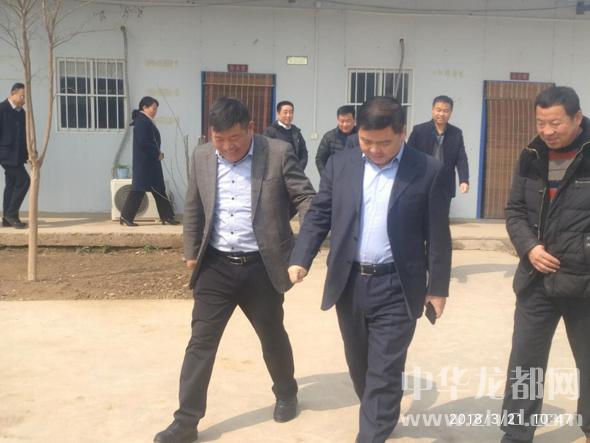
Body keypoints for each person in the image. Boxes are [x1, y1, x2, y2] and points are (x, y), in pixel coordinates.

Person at [288, 96, 452, 443]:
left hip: (397, 284)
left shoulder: (428, 170)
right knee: (360, 366)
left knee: (384, 369)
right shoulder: (341, 164)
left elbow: (438, 233)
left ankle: (372, 429)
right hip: (349, 282)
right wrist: (301, 256)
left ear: (402, 133)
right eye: (366, 141)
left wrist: (437, 287)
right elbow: (320, 213)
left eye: (384, 143)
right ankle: (382, 413)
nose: (375, 150)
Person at [154, 97, 315, 443]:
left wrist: (303, 252)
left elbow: (306, 198)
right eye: (219, 139)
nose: (227, 147)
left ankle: (286, 392)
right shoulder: (201, 156)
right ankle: (186, 421)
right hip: (215, 266)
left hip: (262, 266)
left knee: (272, 335)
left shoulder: (277, 153)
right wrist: (190, 252)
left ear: (251, 129)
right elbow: (193, 205)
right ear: (210, 134)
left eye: (235, 139)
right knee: (200, 342)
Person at [501, 86, 590, 443]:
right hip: (536, 278)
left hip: (584, 280)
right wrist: (529, 247)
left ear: (577, 118)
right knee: (525, 362)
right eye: (541, 123)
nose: (547, 131)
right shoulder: (531, 155)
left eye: (555, 123)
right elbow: (514, 211)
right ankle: (516, 433)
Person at [119, 96, 179, 226]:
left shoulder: (146, 120)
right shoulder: (142, 121)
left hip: (151, 162)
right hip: (145, 163)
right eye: (153, 108)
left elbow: (150, 141)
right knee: (139, 189)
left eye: (156, 109)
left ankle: (167, 217)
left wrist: (157, 153)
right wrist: (157, 153)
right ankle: (126, 217)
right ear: (144, 107)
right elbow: (143, 142)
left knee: (159, 189)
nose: (155, 111)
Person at [407, 95, 469, 199]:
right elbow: (409, 155)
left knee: (441, 210)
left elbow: (461, 158)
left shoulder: (456, 133)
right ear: (432, 110)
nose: (441, 114)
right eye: (438, 110)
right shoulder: (419, 130)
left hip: (444, 184)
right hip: (421, 182)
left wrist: (464, 180)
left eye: (445, 111)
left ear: (451, 112)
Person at [0, 83, 30, 229]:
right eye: (21, 96)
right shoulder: (2, 109)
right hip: (5, 154)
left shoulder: (21, 112)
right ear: (12, 94)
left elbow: (24, 136)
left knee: (11, 185)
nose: (24, 100)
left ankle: (7, 218)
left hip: (17, 156)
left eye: (25, 97)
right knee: (24, 180)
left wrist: (29, 153)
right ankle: (11, 214)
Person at [263, 100, 308, 170]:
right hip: (276, 172)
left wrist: (299, 169)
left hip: (294, 171)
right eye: (285, 112)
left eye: (291, 112)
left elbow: (303, 153)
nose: (288, 115)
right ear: (278, 114)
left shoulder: (296, 132)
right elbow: (264, 153)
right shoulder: (270, 132)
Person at [315, 105, 357, 175]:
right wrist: (325, 177)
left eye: (348, 121)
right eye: (342, 121)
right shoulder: (329, 137)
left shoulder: (361, 136)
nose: (345, 125)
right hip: (335, 177)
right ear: (337, 120)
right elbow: (320, 159)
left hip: (356, 177)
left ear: (354, 120)